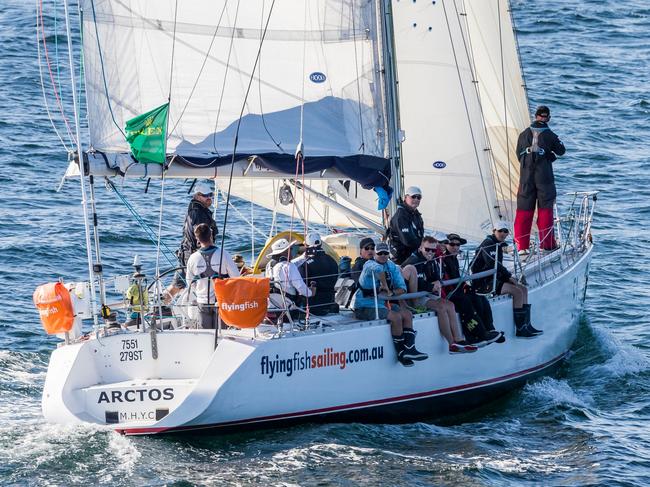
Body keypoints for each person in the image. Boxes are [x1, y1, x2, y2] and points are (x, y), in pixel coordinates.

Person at [353, 242, 428, 367]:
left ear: (388, 254)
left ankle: (410, 349)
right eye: (379, 253)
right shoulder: (369, 264)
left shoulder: (391, 266)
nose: (383, 255)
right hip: (364, 306)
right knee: (396, 317)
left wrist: (391, 292)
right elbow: (377, 270)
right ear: (375, 255)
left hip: (382, 303)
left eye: (385, 253)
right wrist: (384, 285)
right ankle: (401, 353)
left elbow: (402, 288)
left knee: (407, 314)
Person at [402, 237, 478, 354]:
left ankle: (459, 340)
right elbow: (412, 284)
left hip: (425, 293)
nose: (431, 253)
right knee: (441, 308)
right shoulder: (412, 262)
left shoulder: (431, 260)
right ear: (420, 248)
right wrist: (429, 286)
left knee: (450, 305)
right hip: (413, 297)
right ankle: (451, 343)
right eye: (427, 249)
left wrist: (436, 282)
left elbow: (436, 277)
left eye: (433, 250)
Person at [471, 222, 542, 338]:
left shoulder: (497, 244)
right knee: (517, 292)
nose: (503, 233)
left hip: (493, 278)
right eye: (500, 231)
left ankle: (526, 324)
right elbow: (494, 265)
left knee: (523, 289)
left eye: (506, 231)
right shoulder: (489, 245)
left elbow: (496, 268)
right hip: (484, 282)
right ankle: (520, 329)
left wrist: (509, 278)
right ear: (494, 231)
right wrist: (509, 277)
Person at [514, 105, 566, 254]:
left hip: (526, 177)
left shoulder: (523, 134)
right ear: (548, 118)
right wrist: (548, 154)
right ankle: (547, 245)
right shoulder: (550, 134)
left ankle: (522, 247)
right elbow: (561, 151)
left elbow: (519, 154)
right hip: (544, 177)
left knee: (524, 211)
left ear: (535, 116)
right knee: (545, 211)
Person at [441, 234, 502, 346]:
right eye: (452, 244)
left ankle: (489, 328)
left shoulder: (454, 259)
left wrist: (465, 287)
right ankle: (477, 334)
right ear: (445, 245)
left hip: (456, 290)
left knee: (479, 296)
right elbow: (446, 283)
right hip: (449, 294)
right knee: (466, 302)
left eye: (458, 245)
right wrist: (460, 290)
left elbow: (457, 278)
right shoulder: (442, 259)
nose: (455, 247)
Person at [166, 181, 219, 302]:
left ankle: (162, 304)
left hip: (190, 253)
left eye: (210, 195)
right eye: (206, 196)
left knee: (179, 285)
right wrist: (206, 251)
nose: (209, 198)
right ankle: (160, 306)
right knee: (179, 285)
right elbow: (199, 235)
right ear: (197, 196)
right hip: (192, 255)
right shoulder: (197, 213)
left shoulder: (199, 209)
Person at [185, 223, 240, 329]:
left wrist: (199, 293)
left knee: (206, 335)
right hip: (220, 301)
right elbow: (236, 277)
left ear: (197, 239)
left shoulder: (192, 258)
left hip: (202, 302)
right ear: (211, 235)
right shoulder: (223, 254)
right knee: (221, 332)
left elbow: (189, 282)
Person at [292, 232, 339, 315]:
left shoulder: (305, 265)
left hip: (312, 305)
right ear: (321, 244)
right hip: (329, 301)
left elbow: (300, 286)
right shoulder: (333, 261)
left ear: (306, 245)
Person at [269, 238, 316, 311]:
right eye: (290, 249)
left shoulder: (270, 265)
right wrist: (311, 293)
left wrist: (304, 257)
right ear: (285, 252)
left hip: (274, 302)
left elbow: (290, 265)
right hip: (289, 304)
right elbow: (300, 286)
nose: (291, 251)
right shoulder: (289, 266)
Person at [388, 186, 425, 265]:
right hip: (401, 259)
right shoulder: (401, 216)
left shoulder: (416, 215)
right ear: (406, 197)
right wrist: (424, 246)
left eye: (419, 197)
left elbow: (420, 235)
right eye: (413, 196)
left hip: (412, 255)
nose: (416, 199)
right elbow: (408, 240)